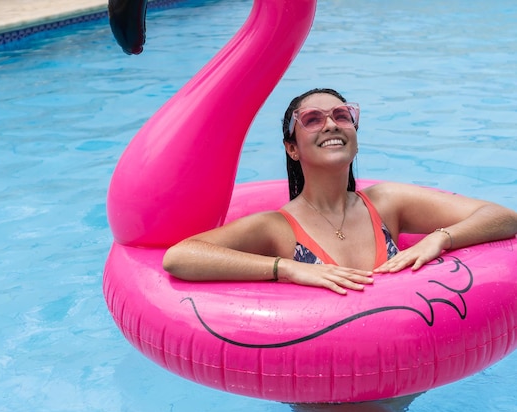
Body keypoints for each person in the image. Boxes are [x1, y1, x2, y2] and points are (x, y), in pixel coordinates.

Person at [162, 88, 517, 295]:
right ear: (292, 148)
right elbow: (180, 257)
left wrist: (439, 238)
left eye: (342, 115)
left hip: (404, 370)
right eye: (313, 119)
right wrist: (287, 268)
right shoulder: (277, 228)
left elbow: (503, 217)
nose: (331, 123)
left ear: (355, 137)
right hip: (323, 385)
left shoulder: (387, 203)